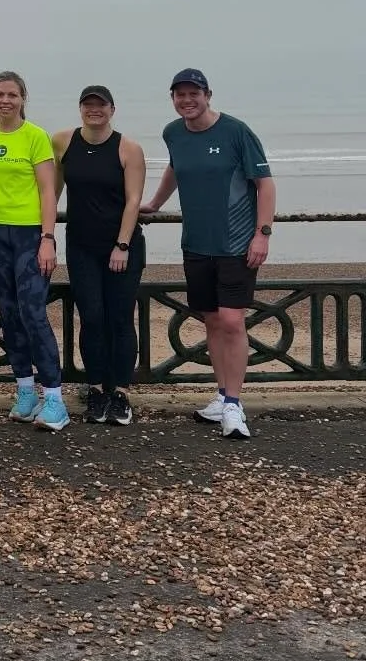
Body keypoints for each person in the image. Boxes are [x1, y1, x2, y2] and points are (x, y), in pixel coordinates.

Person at [139, 69, 275, 440]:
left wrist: (262, 234)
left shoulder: (236, 131)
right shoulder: (173, 132)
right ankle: (221, 395)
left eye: (193, 94)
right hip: (196, 244)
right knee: (212, 321)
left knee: (233, 321)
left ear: (207, 95)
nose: (187, 100)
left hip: (236, 244)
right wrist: (153, 202)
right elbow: (174, 168)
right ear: (173, 98)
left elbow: (264, 184)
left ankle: (234, 404)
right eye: (179, 95)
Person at [0, 72, 68, 432]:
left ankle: (55, 398)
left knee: (33, 313)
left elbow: (48, 191)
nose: (5, 100)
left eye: (12, 94)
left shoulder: (36, 137)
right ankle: (25, 390)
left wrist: (48, 238)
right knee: (9, 313)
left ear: (23, 98)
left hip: (30, 235)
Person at [52, 87, 146, 426]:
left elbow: (134, 201)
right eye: (88, 105)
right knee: (91, 317)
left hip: (122, 246)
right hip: (80, 246)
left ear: (112, 109)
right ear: (80, 109)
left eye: (101, 105)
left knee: (120, 318)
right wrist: (42, 232)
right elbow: (53, 190)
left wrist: (121, 245)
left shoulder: (129, 149)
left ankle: (120, 392)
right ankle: (95, 390)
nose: (95, 111)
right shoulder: (63, 141)